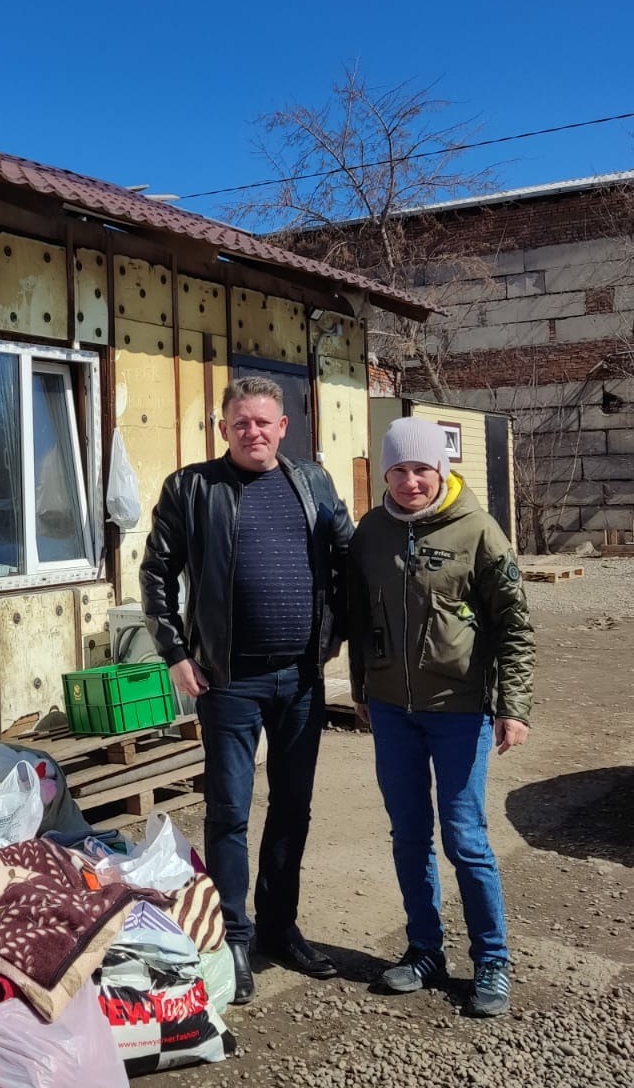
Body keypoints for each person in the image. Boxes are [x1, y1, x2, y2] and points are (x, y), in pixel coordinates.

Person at [140, 377, 353, 1004]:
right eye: (241, 423)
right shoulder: (191, 487)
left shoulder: (311, 482)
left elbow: (348, 555)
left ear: (283, 426)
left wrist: (337, 632)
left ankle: (279, 928)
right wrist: (176, 653)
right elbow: (157, 571)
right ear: (224, 428)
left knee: (293, 807)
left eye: (264, 422)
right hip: (229, 681)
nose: (253, 432)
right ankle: (233, 931)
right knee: (229, 812)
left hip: (302, 680)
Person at [348, 417, 534, 1018]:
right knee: (408, 835)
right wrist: (359, 690)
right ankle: (425, 950)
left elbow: (515, 626)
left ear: (442, 470)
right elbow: (357, 616)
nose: (409, 482)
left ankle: (493, 960)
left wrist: (513, 706)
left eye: (421, 469)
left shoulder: (479, 531)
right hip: (391, 710)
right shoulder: (370, 533)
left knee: (465, 838)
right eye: (398, 470)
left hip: (460, 711)